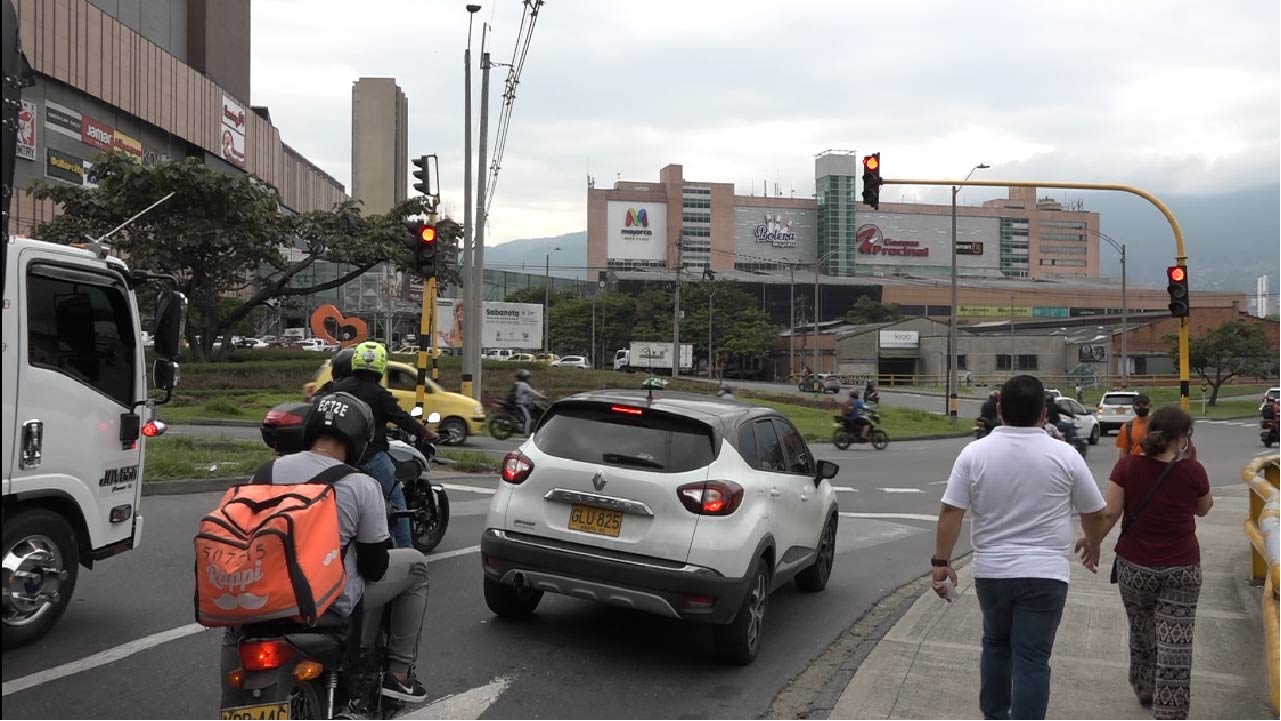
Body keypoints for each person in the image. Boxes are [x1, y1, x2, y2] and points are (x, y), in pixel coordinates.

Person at [219, 392, 430, 705]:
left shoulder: (265, 472)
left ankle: (232, 702)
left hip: (259, 595)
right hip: (324, 601)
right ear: (360, 439)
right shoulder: (362, 485)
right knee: (416, 567)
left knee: (237, 632)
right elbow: (375, 567)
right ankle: (399, 676)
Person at [933, 375, 1108, 720]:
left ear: (999, 409)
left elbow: (951, 510)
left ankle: (995, 715)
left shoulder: (974, 453)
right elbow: (1095, 512)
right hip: (1046, 575)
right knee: (1032, 658)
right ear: (1044, 413)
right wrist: (1094, 543)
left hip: (992, 572)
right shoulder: (1065, 455)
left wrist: (942, 561)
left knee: (996, 646)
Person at [1074, 406, 1212, 719]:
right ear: (1182, 438)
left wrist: (1093, 542)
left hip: (1135, 567)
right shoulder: (1194, 470)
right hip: (1182, 568)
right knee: (1176, 638)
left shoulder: (1128, 468)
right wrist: (1192, 465)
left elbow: (1109, 514)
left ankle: (1145, 685)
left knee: (1142, 627)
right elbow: (1204, 509)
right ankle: (1170, 710)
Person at [330, 341, 438, 549]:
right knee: (398, 501)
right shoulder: (379, 394)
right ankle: (408, 552)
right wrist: (427, 433)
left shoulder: (337, 389)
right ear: (380, 366)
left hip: (339, 456)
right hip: (370, 457)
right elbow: (402, 419)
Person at [1116, 394, 1153, 460]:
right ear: (1133, 407)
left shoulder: (1158, 424)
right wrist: (1123, 467)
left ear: (1150, 405)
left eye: (1144, 404)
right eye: (1138, 405)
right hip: (1135, 465)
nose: (1141, 407)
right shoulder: (1127, 427)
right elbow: (1124, 452)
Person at [511, 368, 547, 434]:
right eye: (527, 377)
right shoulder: (523, 385)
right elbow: (532, 392)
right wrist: (541, 396)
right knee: (528, 419)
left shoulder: (517, 384)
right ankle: (526, 433)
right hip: (521, 405)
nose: (528, 379)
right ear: (524, 377)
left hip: (522, 403)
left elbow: (528, 394)